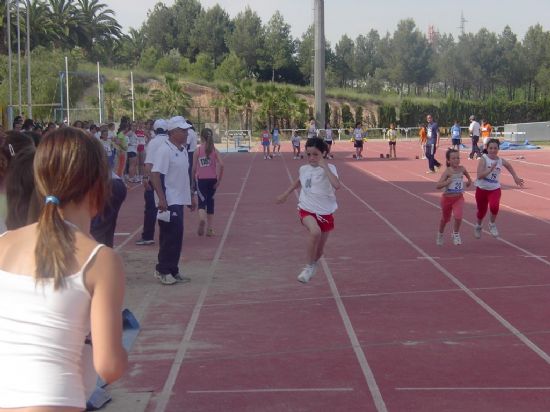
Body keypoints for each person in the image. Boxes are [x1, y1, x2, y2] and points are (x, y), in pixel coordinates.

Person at [0, 127, 127, 411]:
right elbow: (109, 367)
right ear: (97, 185)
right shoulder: (99, 260)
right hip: (57, 400)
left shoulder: (4, 244)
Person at [276, 137, 340, 284]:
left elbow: (337, 185)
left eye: (315, 155)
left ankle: (313, 264)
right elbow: (299, 181)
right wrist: (286, 194)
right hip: (306, 209)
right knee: (315, 232)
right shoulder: (304, 169)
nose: (311, 158)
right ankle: (308, 267)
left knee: (319, 251)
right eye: (308, 154)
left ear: (324, 153)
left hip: (325, 212)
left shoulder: (330, 169)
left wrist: (325, 167)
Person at [150, 116, 197, 285]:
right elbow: (155, 175)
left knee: (177, 236)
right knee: (169, 236)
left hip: (179, 198)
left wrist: (190, 195)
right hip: (169, 201)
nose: (186, 133)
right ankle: (163, 269)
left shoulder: (182, 149)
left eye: (186, 130)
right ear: (173, 132)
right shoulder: (165, 150)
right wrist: (162, 199)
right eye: (183, 130)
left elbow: (185, 175)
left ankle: (173, 269)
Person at [474, 138, 524, 239]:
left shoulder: (500, 161)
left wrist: (515, 177)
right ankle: (478, 226)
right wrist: (490, 170)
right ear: (487, 149)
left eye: (495, 148)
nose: (493, 150)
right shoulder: (484, 159)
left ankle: (492, 224)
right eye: (491, 148)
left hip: (494, 189)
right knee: (481, 211)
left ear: (498, 149)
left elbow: (509, 166)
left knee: (494, 207)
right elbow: (479, 176)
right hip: (482, 189)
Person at [136, 119, 168, 246]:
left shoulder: (153, 143)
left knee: (150, 208)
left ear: (155, 130)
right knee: (168, 206)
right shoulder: (170, 141)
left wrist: (145, 178)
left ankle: (148, 235)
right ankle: (166, 235)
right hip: (168, 178)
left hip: (155, 177)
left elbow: (149, 163)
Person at [435, 148, 472, 246]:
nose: (456, 160)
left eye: (458, 158)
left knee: (458, 216)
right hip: (447, 199)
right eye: (453, 158)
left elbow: (468, 177)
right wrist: (447, 182)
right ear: (448, 161)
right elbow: (438, 186)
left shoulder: (462, 169)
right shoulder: (447, 172)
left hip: (458, 198)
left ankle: (455, 233)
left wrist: (469, 181)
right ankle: (440, 234)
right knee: (445, 219)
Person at [192, 128, 224, 237]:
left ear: (201, 137)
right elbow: (222, 165)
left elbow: (193, 168)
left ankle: (202, 219)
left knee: (202, 203)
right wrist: (219, 180)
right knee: (210, 203)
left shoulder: (198, 150)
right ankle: (210, 229)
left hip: (201, 180)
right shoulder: (214, 150)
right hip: (212, 180)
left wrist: (193, 182)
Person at [90, 171, 127, 248]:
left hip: (104, 184)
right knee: (105, 231)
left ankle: (99, 255)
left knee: (95, 231)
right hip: (113, 182)